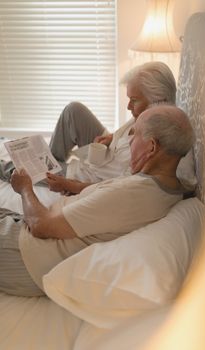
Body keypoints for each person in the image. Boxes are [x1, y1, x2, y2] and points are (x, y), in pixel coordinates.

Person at [0, 104, 194, 297]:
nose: (130, 142)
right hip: (32, 237)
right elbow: (109, 195)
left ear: (151, 147)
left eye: (134, 136)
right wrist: (74, 186)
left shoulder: (130, 194)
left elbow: (40, 225)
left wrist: (24, 188)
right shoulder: (170, 186)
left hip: (25, 252)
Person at [0, 62, 177, 193]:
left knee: (16, 169)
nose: (128, 106)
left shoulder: (154, 149)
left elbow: (116, 191)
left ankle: (40, 166)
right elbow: (125, 135)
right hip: (104, 155)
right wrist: (112, 138)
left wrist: (71, 186)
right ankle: (50, 159)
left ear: (157, 100)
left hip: (89, 175)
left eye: (134, 100)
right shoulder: (147, 115)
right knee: (74, 110)